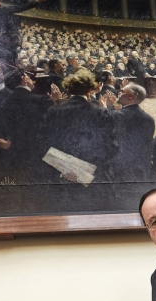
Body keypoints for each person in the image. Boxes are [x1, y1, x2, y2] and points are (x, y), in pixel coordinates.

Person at [41, 70, 119, 212]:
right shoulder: (101, 112)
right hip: (95, 177)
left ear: (69, 88)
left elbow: (44, 143)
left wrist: (67, 169)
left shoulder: (54, 111)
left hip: (62, 176)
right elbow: (111, 147)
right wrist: (83, 172)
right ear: (90, 89)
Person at [111, 83, 156, 209]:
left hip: (121, 169)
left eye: (122, 92)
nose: (119, 93)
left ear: (130, 96)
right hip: (142, 169)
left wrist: (109, 108)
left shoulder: (116, 116)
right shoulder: (149, 118)